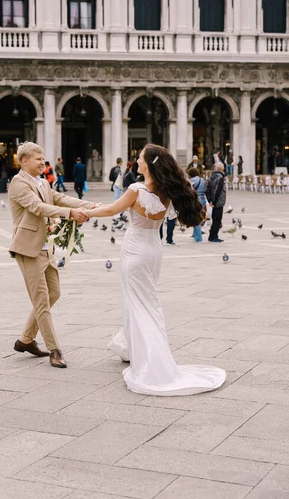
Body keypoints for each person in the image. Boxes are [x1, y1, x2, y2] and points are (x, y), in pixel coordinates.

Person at [84, 144, 225, 396]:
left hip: (136, 248)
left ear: (148, 163)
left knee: (137, 303)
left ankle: (152, 361)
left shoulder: (136, 189)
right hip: (153, 248)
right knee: (147, 301)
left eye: (139, 157)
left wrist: (83, 212)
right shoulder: (166, 191)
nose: (136, 160)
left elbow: (111, 210)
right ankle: (130, 347)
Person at [8, 142, 94, 369]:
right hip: (28, 249)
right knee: (41, 300)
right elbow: (38, 208)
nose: (42, 162)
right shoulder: (18, 184)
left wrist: (91, 206)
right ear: (24, 161)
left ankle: (25, 339)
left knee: (54, 293)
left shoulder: (43, 183)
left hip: (46, 247)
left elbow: (60, 199)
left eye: (43, 158)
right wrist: (71, 214)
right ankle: (54, 350)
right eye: (38, 158)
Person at [206, 162, 226, 243]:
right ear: (222, 169)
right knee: (217, 220)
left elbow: (207, 190)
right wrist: (214, 201)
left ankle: (212, 236)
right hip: (218, 202)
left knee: (215, 219)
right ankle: (214, 237)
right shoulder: (220, 177)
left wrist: (210, 200)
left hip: (213, 201)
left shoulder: (211, 177)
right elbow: (218, 190)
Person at [189, 167, 207, 242]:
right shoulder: (203, 180)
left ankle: (198, 237)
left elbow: (189, 191)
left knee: (196, 218)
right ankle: (195, 233)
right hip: (203, 199)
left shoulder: (190, 181)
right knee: (200, 216)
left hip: (195, 200)